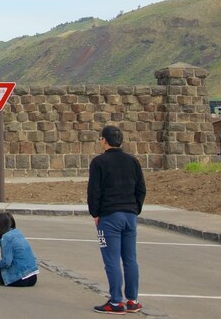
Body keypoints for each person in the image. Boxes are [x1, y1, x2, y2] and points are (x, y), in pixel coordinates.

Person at [88, 125, 147, 314]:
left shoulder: (99, 162)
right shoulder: (133, 161)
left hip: (110, 216)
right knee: (130, 259)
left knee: (111, 260)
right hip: (130, 215)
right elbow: (141, 189)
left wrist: (95, 213)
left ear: (104, 140)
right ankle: (133, 300)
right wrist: (135, 208)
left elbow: (94, 191)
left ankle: (115, 302)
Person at [0, 212, 39, 287]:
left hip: (20, 279)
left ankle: (0, 280)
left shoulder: (6, 237)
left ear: (0, 225)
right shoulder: (18, 232)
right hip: (33, 278)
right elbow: (4, 246)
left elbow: (6, 263)